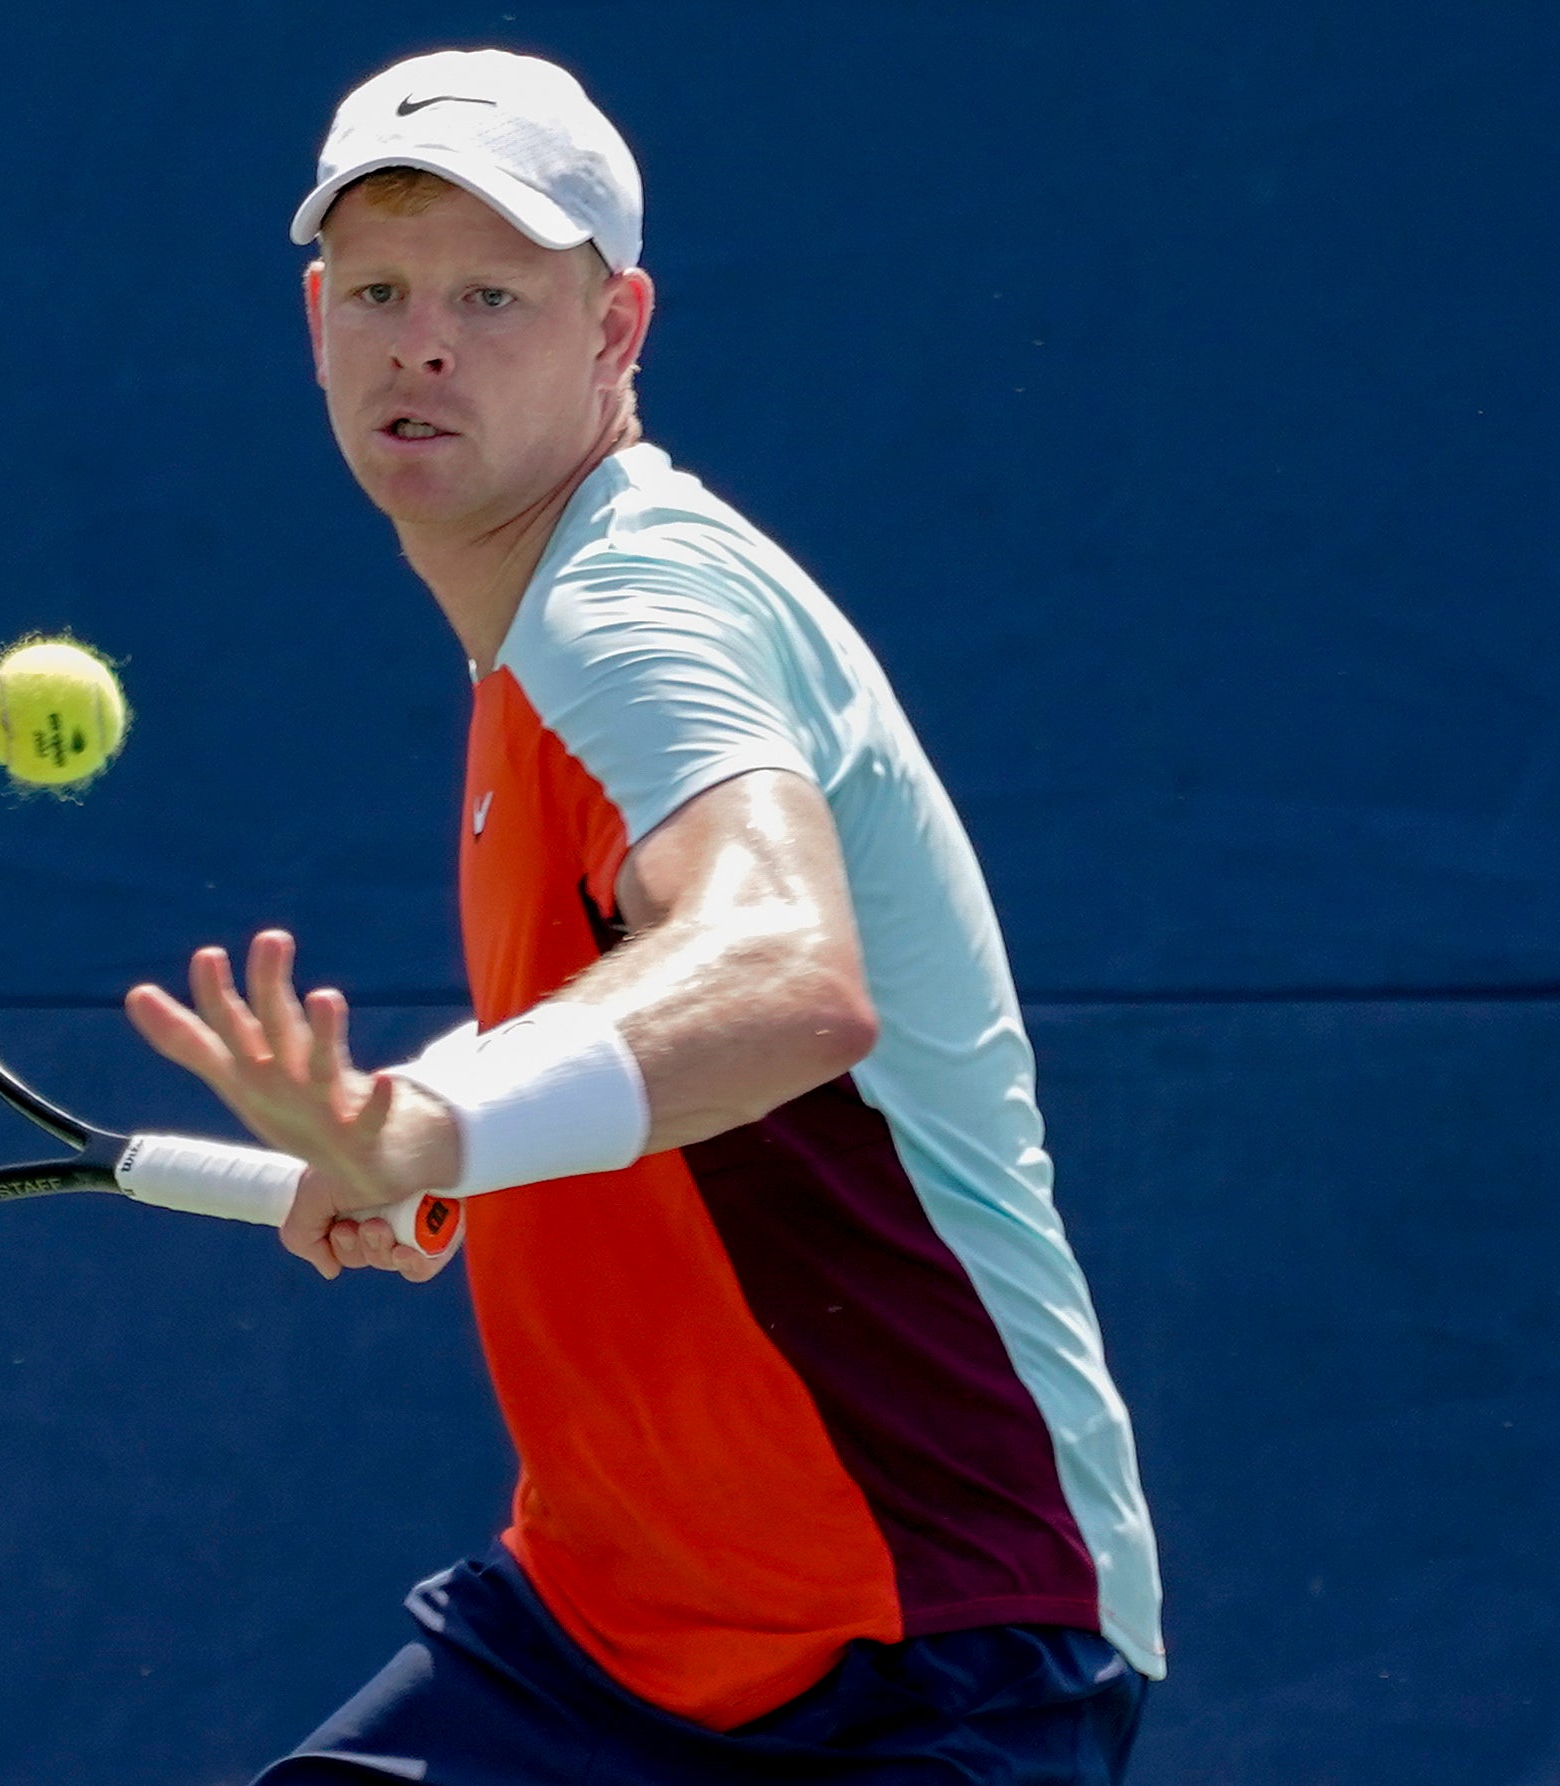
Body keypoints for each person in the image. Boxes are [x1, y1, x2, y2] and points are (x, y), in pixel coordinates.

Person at [126, 48, 1163, 1784]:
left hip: (917, 1633)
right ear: (316, 321)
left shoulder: (627, 605)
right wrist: (436, 1136)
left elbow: (780, 978)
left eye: (494, 295)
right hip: (609, 1630)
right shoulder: (543, 624)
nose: (423, 340)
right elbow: (645, 987)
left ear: (617, 330)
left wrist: (431, 1117)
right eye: (377, 289)